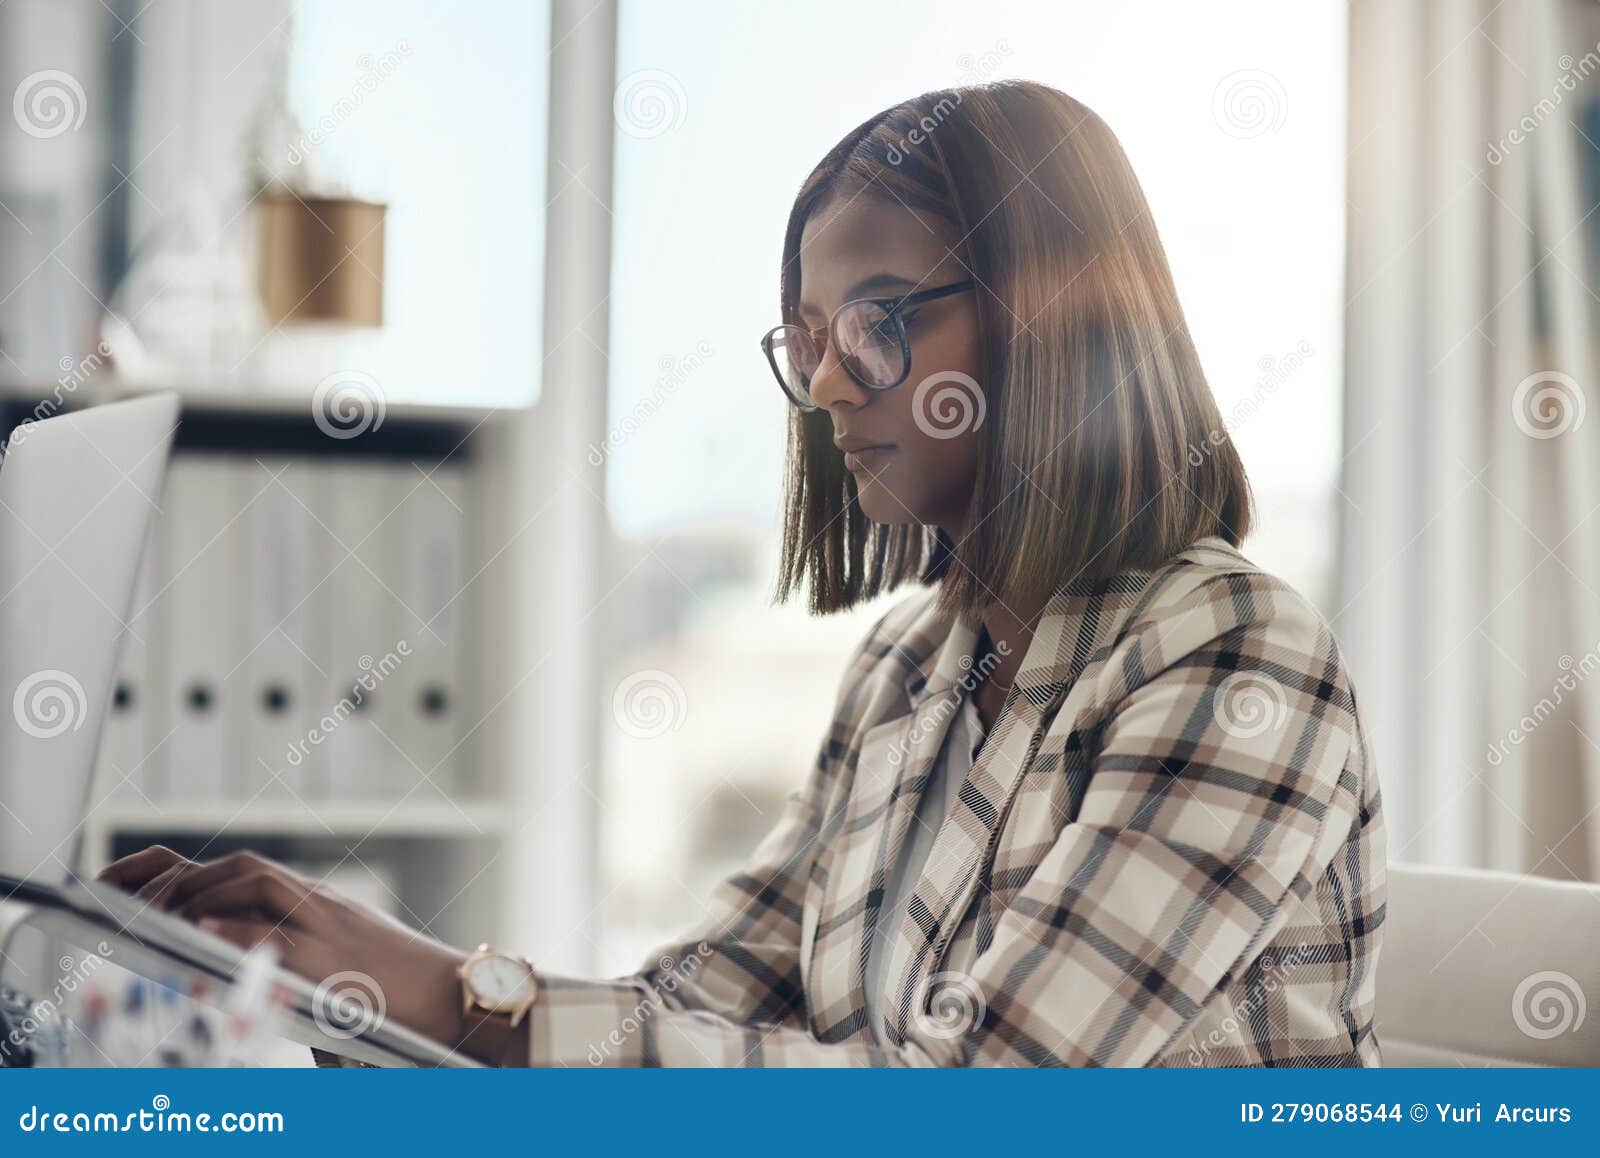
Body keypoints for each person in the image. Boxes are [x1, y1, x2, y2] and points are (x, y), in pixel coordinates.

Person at [101, 80, 1385, 1068]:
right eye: (812, 340)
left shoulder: (1229, 654)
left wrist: (464, 1001)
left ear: (1052, 316)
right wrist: (375, 978)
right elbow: (700, 1004)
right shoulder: (907, 669)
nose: (827, 385)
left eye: (882, 321)